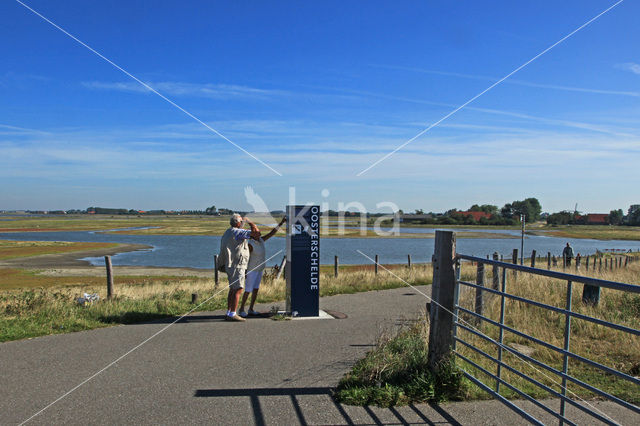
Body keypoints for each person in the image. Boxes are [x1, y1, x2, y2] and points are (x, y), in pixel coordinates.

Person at [239, 216, 286, 317]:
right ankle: (241, 309)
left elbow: (272, 233)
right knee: (248, 290)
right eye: (257, 231)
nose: (259, 232)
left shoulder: (260, 240)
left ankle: (251, 309)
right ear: (252, 234)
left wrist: (281, 223)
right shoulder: (251, 244)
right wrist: (245, 271)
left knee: (256, 289)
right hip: (252, 270)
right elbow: (246, 258)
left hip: (259, 269)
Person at [219, 213, 260, 322]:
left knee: (232, 289)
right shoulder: (238, 232)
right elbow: (257, 234)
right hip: (237, 265)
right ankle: (233, 313)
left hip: (231, 264)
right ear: (237, 222)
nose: (243, 223)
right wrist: (251, 222)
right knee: (239, 288)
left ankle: (229, 312)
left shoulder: (228, 232)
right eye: (241, 222)